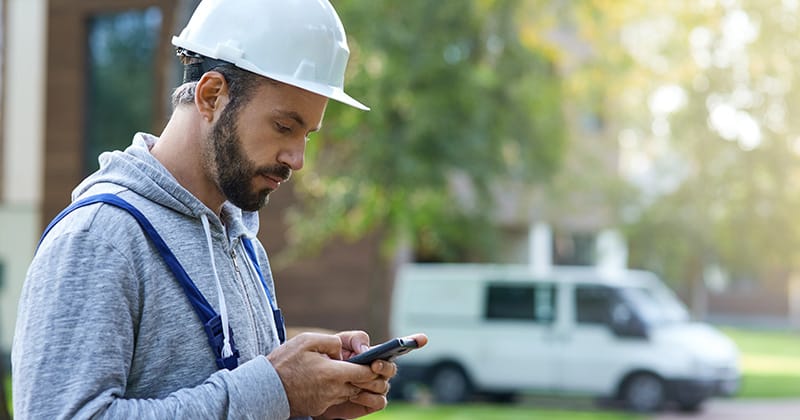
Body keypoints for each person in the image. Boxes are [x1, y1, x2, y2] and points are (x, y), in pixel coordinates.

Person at [11, 0, 426, 418]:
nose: (297, 158)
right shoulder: (98, 239)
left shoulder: (244, 245)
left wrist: (310, 403)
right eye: (284, 126)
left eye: (307, 135)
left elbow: (248, 404)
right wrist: (275, 389)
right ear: (211, 95)